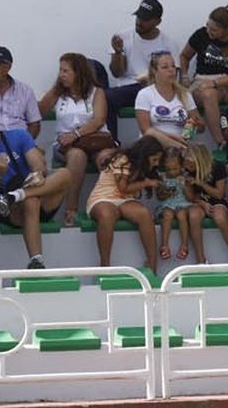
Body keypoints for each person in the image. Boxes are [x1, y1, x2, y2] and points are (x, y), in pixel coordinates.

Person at [0, 102, 75, 270]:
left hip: (33, 194)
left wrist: (37, 176)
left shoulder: (18, 136)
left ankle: (18, 194)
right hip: (6, 208)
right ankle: (36, 260)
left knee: (65, 174)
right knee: (30, 200)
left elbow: (38, 166)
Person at [40, 52, 115, 228]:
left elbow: (99, 120)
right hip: (67, 146)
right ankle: (71, 209)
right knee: (77, 156)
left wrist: (76, 134)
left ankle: (110, 203)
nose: (61, 75)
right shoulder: (58, 93)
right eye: (60, 70)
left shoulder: (96, 92)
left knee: (107, 158)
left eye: (65, 71)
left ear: (78, 72)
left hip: (95, 140)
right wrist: (54, 90)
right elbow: (40, 111)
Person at [86, 135, 162, 271]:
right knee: (107, 214)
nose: (156, 163)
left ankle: (152, 264)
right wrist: (146, 183)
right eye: (154, 159)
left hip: (125, 200)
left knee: (144, 214)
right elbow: (123, 188)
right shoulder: (122, 158)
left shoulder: (142, 166)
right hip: (103, 197)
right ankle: (105, 266)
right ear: (145, 155)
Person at [178, 5, 228, 145]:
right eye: (207, 26)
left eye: (214, 29)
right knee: (209, 94)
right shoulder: (201, 35)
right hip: (202, 81)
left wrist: (216, 83)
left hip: (227, 82)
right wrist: (185, 75)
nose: (209, 31)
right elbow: (184, 56)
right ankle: (220, 141)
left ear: (227, 29)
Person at [108, 0, 181, 114]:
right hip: (127, 88)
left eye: (145, 19)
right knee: (105, 97)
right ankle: (109, 133)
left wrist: (151, 80)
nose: (139, 22)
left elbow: (173, 77)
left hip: (155, 88)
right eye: (138, 17)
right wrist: (118, 53)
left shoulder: (168, 43)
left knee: (110, 96)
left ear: (157, 22)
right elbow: (117, 73)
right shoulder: (123, 37)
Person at [185, 143, 228, 265]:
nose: (188, 167)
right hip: (199, 201)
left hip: (216, 200)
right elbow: (190, 197)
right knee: (194, 216)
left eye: (190, 164)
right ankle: (200, 260)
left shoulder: (217, 167)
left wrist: (201, 184)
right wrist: (201, 202)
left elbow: (219, 194)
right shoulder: (187, 171)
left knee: (220, 218)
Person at [134, 51, 200, 150]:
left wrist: (194, 125)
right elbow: (146, 130)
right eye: (165, 67)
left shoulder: (185, 94)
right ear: (154, 71)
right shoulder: (144, 94)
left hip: (182, 144)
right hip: (153, 146)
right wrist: (175, 142)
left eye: (173, 66)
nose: (171, 70)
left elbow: (199, 123)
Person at [155, 146, 194, 261]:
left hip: (183, 204)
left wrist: (184, 186)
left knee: (181, 215)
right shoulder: (162, 178)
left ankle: (184, 245)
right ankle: (164, 245)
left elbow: (190, 197)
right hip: (168, 205)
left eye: (175, 169)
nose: (172, 172)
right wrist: (165, 192)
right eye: (168, 169)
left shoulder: (185, 177)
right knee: (167, 215)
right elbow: (159, 197)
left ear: (181, 166)